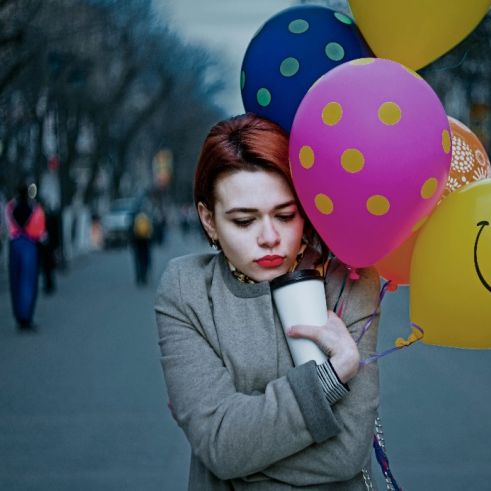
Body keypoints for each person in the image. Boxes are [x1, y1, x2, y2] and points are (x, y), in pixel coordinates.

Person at [155, 114, 381, 489]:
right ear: (209, 220)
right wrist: (327, 379)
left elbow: (347, 453)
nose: (270, 237)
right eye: (244, 221)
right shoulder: (187, 289)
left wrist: (237, 451)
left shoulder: (349, 281)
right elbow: (222, 446)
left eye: (285, 214)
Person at [5, 182, 46, 332]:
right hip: (30, 246)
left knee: (16, 282)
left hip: (15, 245)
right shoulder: (35, 209)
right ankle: (26, 316)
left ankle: (19, 316)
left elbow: (6, 228)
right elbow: (40, 231)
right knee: (28, 282)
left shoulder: (10, 208)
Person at [130, 205, 153, 286]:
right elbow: (151, 230)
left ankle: (138, 277)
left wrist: (132, 243)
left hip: (137, 241)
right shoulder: (147, 217)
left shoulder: (134, 218)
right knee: (145, 259)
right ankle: (145, 276)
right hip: (146, 241)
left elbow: (130, 231)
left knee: (138, 259)